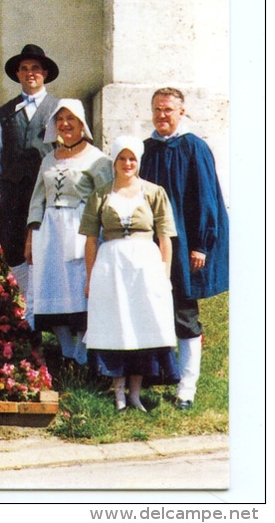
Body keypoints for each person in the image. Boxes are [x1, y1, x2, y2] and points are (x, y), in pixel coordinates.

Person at [139, 87, 229, 411]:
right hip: (151, 244)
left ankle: (187, 388)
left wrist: (201, 246)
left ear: (181, 112)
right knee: (154, 307)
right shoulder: (147, 150)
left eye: (168, 110)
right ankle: (161, 373)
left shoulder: (194, 147)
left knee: (184, 312)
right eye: (157, 109)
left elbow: (206, 197)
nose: (162, 115)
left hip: (185, 243)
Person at [80, 136, 179, 412]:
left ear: (139, 161)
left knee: (141, 325)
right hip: (111, 266)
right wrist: (90, 279)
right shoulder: (100, 194)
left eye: (132, 158)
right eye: (122, 158)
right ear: (114, 161)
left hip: (145, 267)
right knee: (116, 325)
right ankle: (119, 393)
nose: (127, 163)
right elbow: (90, 240)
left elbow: (165, 237)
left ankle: (135, 393)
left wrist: (165, 275)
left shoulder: (154, 192)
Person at [24, 100, 112, 368]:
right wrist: (31, 237)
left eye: (70, 118)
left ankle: (86, 355)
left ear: (81, 123)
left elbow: (107, 199)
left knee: (80, 290)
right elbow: (38, 199)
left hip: (82, 229)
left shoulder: (97, 159)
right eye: (60, 119)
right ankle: (68, 352)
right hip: (51, 234)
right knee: (53, 291)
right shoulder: (49, 159)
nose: (65, 124)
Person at [0, 43, 60, 327]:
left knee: (45, 253)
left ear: (44, 74)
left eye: (35, 69)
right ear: (17, 74)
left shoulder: (58, 110)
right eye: (24, 69)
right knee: (14, 251)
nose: (30, 73)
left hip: (48, 197)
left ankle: (46, 315)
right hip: (14, 198)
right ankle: (30, 311)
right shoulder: (5, 113)